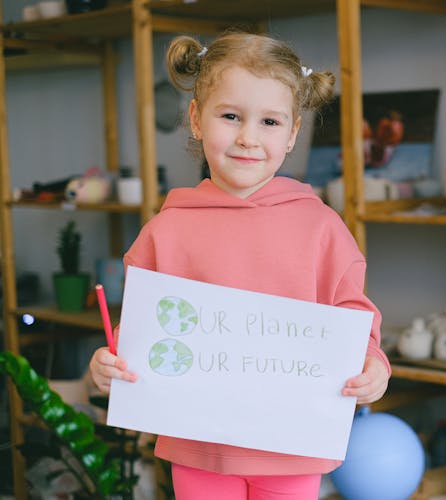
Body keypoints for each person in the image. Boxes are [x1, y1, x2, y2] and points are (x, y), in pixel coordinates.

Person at [89, 31, 391, 500]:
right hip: (198, 448)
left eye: (269, 121)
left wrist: (374, 362)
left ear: (292, 134)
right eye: (230, 116)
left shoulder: (322, 228)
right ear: (196, 119)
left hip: (293, 445)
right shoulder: (165, 231)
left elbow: (354, 315)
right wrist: (111, 364)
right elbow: (143, 338)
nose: (248, 137)